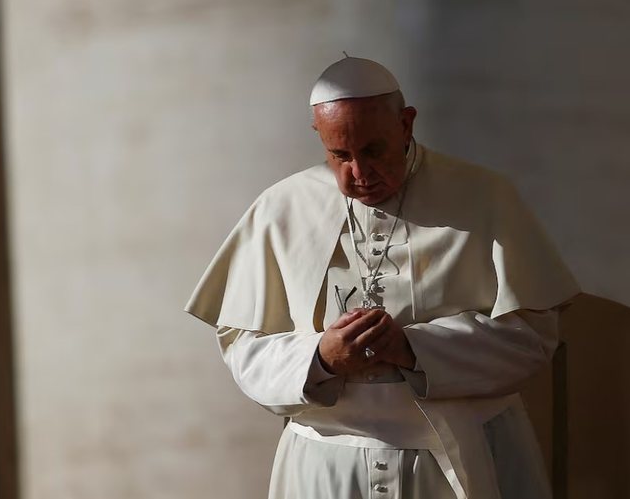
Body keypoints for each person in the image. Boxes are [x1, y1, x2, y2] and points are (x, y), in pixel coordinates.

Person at [183, 56, 580, 499]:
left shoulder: (485, 197)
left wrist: (415, 348)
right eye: (340, 155)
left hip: (463, 454)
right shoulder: (281, 209)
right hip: (328, 466)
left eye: (373, 150)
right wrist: (322, 357)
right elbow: (243, 346)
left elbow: (533, 336)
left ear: (406, 124)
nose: (359, 173)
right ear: (319, 137)